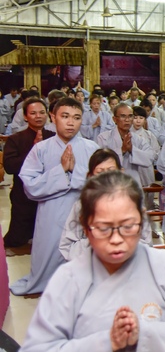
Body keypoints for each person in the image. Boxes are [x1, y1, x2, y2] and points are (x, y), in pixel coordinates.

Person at [21, 171, 165, 351]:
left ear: (142, 220)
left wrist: (144, 332)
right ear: (86, 227)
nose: (116, 239)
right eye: (104, 228)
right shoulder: (68, 278)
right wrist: (107, 341)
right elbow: (38, 348)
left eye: (128, 226)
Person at [12, 98, 99, 296]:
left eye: (76, 118)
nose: (71, 122)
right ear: (53, 117)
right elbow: (30, 185)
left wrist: (73, 172)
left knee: (82, 253)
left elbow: (101, 181)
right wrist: (61, 171)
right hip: (51, 210)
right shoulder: (41, 149)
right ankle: (47, 284)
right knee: (49, 252)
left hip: (82, 209)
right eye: (65, 116)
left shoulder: (92, 148)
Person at [59, 148, 152, 261]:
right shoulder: (81, 206)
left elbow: (146, 244)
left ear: (121, 173)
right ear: (90, 176)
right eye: (100, 173)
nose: (106, 178)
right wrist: (97, 241)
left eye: (111, 171)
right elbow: (67, 247)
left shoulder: (133, 204)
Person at [2, 97, 55, 248]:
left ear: (47, 115)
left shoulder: (54, 137)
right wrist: (34, 150)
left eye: (42, 112)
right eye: (33, 113)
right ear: (25, 116)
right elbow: (10, 167)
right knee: (17, 240)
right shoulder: (15, 139)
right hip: (23, 194)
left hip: (49, 192)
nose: (38, 116)